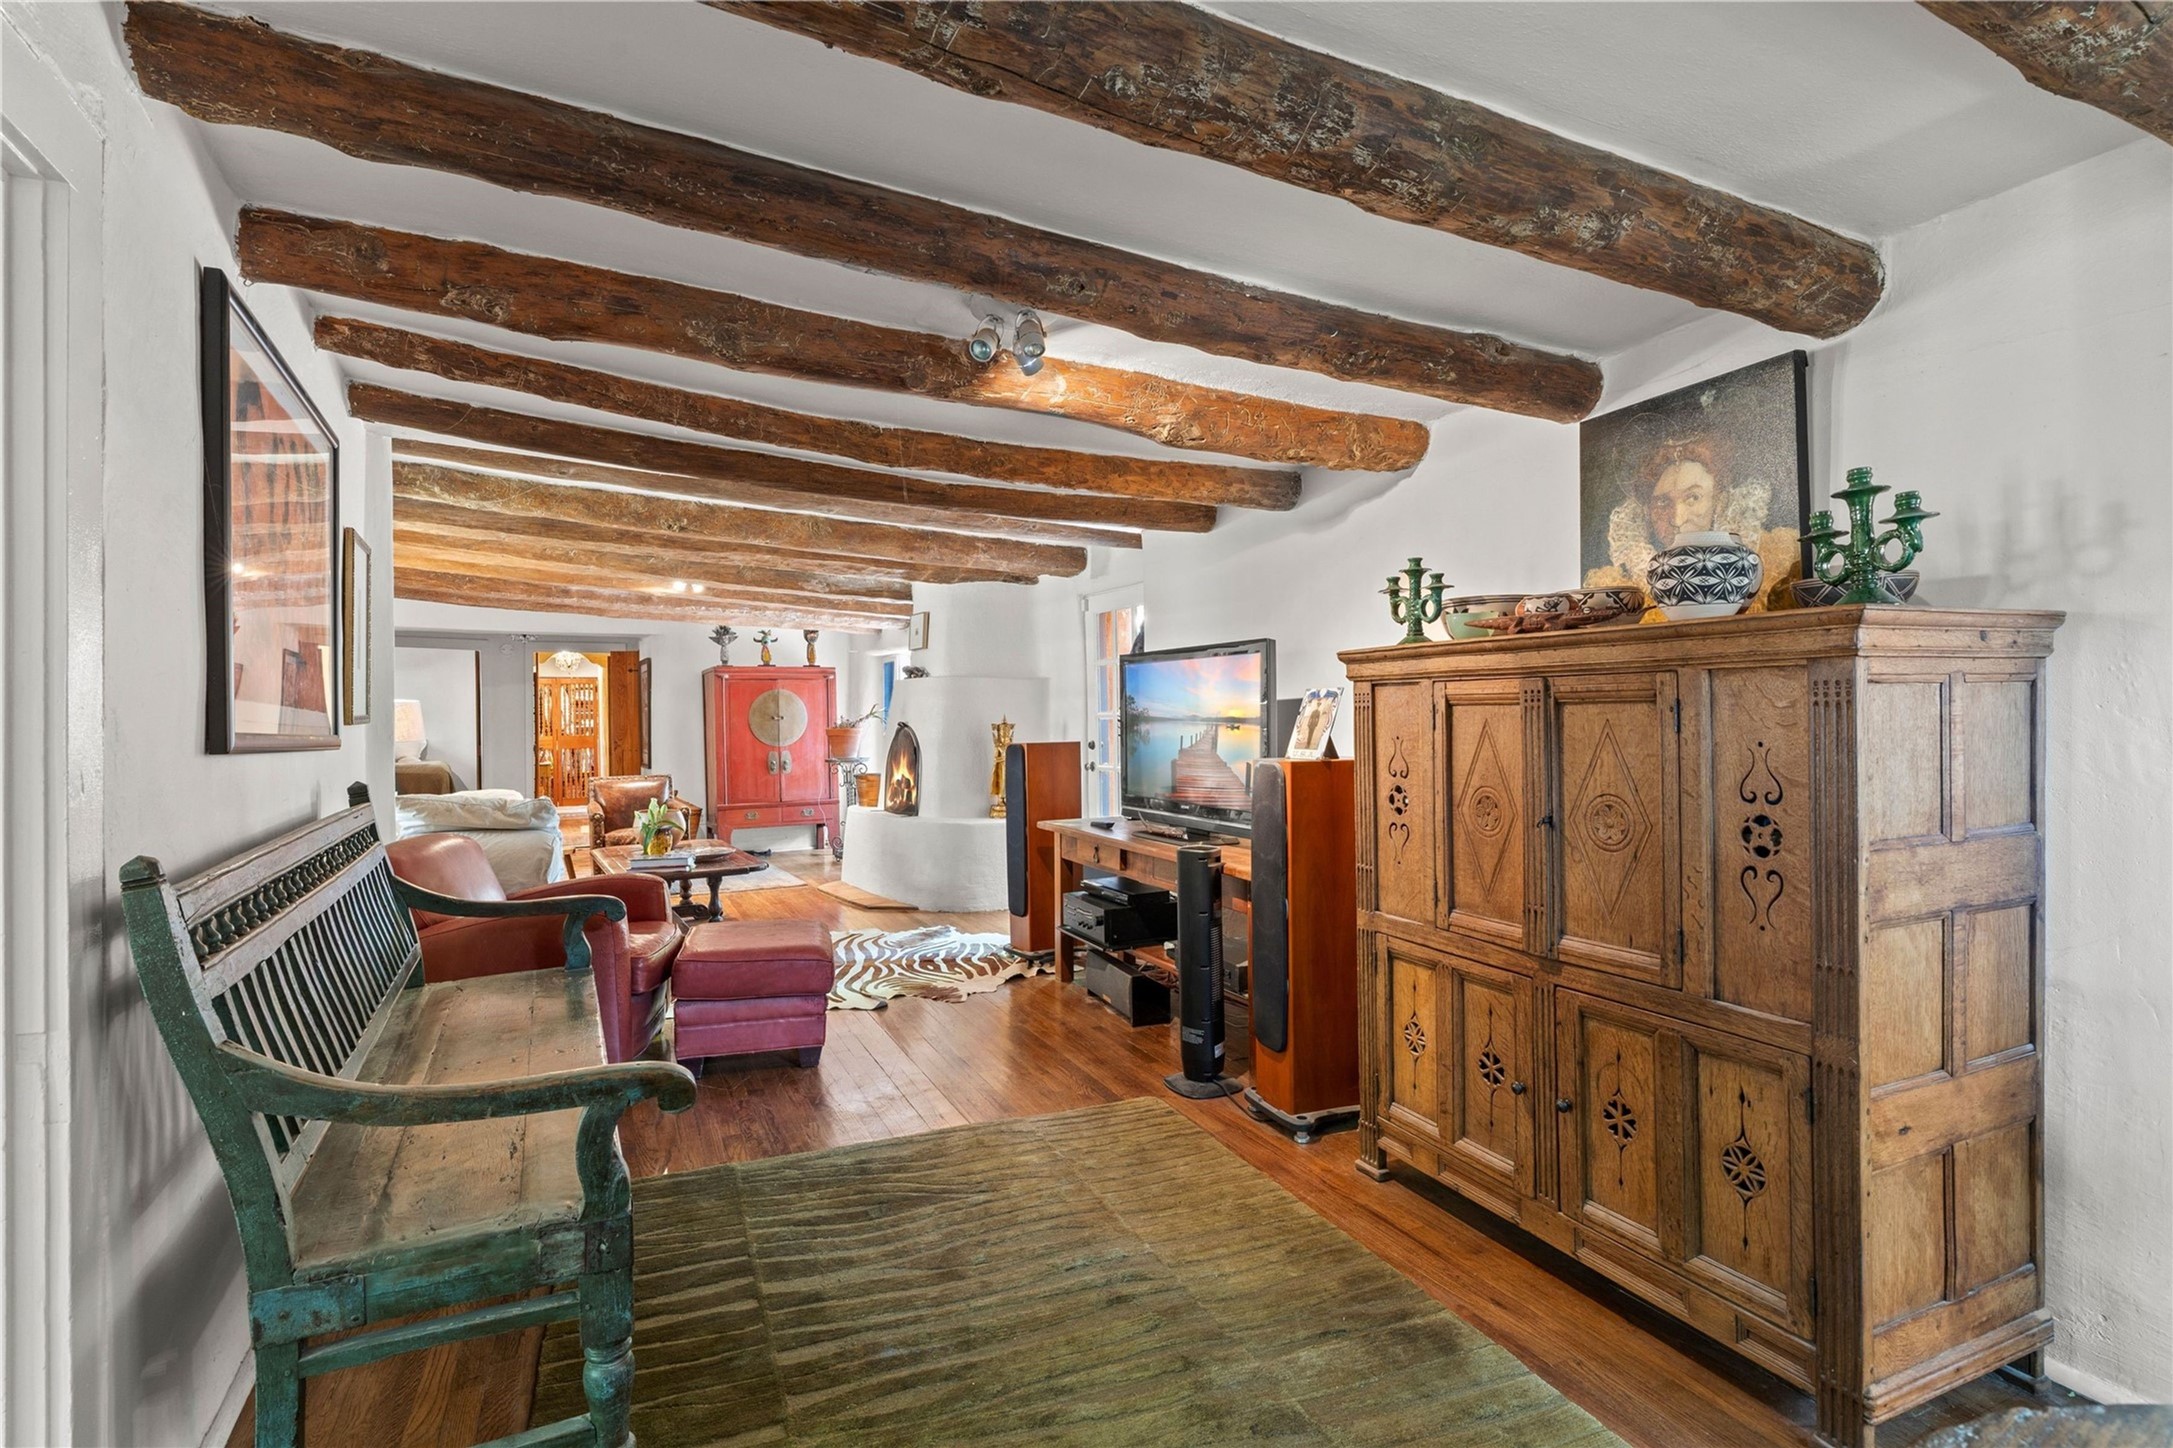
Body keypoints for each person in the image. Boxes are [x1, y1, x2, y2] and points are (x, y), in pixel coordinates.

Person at [1583, 436, 1800, 612]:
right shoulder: (1621, 588)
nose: (1677, 519)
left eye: (1693, 498)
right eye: (1663, 502)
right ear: (1647, 511)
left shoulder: (1771, 559)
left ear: (1718, 502)